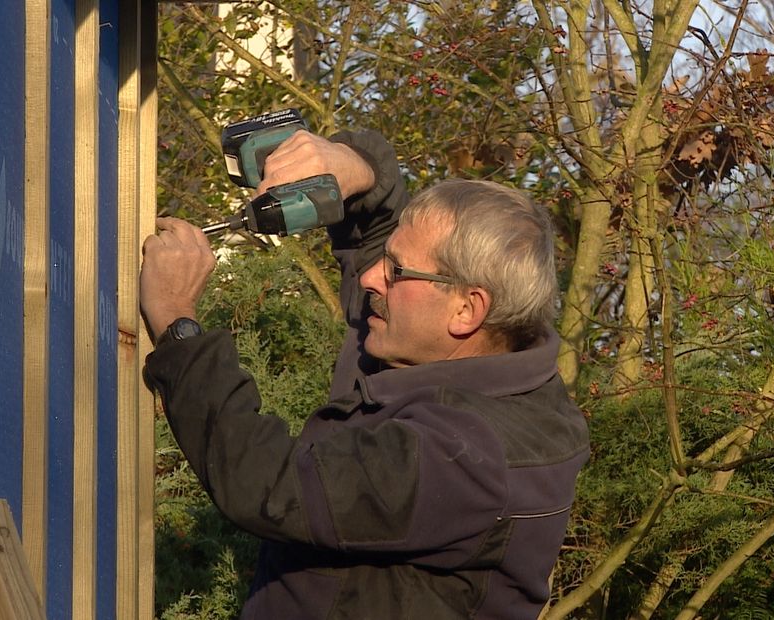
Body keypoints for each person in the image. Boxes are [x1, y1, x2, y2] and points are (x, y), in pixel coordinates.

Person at [139, 128, 590, 619]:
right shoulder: (433, 349)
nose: (372, 277)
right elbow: (379, 220)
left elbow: (272, 486)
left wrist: (176, 321)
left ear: (466, 309)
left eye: (396, 272)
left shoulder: (465, 459)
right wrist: (355, 164)